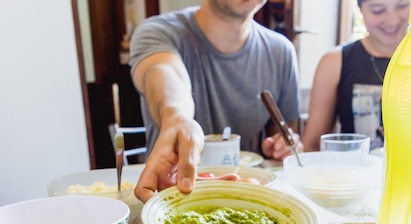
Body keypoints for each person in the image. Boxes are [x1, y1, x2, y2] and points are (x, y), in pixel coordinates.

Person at [129, 0, 302, 203]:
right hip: (173, 200)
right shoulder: (159, 32)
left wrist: (282, 147)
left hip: (248, 202)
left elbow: (284, 133)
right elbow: (165, 74)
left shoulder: (281, 51)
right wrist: (177, 118)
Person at [302, 0, 410, 152]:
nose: (392, 20)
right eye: (378, 10)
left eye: (402, 6)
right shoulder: (334, 62)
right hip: (351, 173)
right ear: (360, 9)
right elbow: (313, 146)